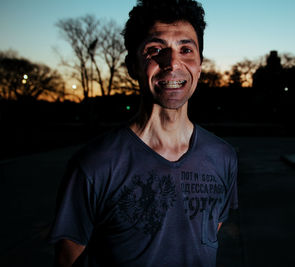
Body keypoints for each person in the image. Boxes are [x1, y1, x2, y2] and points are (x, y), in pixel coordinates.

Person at [48, 0, 238, 266]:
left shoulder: (223, 156)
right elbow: (68, 260)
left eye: (186, 50)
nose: (173, 63)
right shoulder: (94, 164)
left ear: (199, 65)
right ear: (132, 66)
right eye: (156, 49)